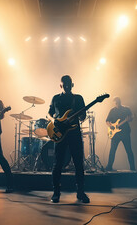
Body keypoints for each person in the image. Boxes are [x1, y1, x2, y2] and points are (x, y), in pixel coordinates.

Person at [47, 75, 90, 203]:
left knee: (78, 164)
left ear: (72, 84)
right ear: (61, 85)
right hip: (60, 133)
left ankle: (80, 193)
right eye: (64, 84)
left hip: (74, 133)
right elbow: (48, 113)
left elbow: (82, 117)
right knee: (58, 164)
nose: (66, 86)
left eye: (68, 84)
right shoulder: (55, 98)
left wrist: (82, 115)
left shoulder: (78, 98)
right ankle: (56, 193)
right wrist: (53, 120)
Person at [105, 97, 136, 171]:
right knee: (112, 151)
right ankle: (109, 167)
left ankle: (132, 168)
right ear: (114, 103)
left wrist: (130, 119)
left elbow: (131, 118)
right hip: (115, 134)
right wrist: (110, 126)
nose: (117, 104)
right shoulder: (112, 110)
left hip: (125, 133)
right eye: (115, 103)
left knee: (129, 150)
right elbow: (107, 120)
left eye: (118, 102)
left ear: (120, 102)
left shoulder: (126, 109)